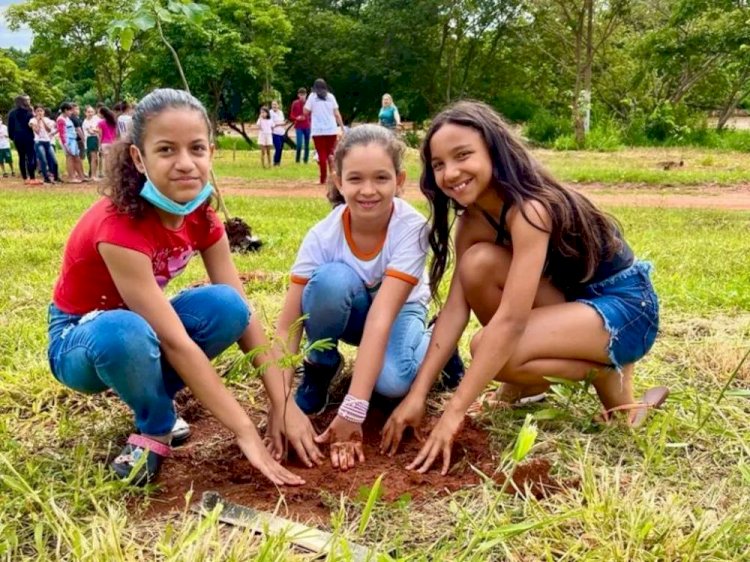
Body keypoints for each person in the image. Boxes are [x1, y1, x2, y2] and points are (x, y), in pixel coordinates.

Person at [47, 88, 319, 486]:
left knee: (227, 306)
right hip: (81, 337)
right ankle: (156, 423)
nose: (185, 164)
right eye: (166, 150)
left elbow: (243, 315)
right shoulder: (118, 227)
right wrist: (245, 431)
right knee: (125, 331)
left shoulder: (202, 217)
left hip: (143, 327)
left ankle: (151, 392)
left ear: (211, 151)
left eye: (196, 149)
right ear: (138, 158)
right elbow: (175, 343)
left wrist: (282, 402)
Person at [380, 101, 667, 473]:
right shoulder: (472, 223)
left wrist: (454, 413)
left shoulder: (530, 209)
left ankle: (605, 374)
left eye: (463, 155)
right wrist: (416, 395)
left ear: (494, 152)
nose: (450, 172)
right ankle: (526, 380)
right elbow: (454, 310)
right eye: (438, 164)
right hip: (573, 303)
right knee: (477, 265)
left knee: (489, 347)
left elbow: (512, 321)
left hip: (626, 309)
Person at [275, 124, 463, 471]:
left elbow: (383, 316)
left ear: (400, 180)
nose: (368, 190)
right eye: (356, 179)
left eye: (380, 178)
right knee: (330, 281)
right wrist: (280, 404)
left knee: (391, 385)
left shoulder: (410, 228)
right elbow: (289, 323)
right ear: (338, 180)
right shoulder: (322, 235)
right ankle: (320, 368)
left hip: (399, 313)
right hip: (356, 315)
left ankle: (439, 343)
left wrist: (353, 409)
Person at [304, 78, 345, 184]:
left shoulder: (312, 97)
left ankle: (323, 179)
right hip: (331, 129)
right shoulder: (330, 97)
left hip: (318, 130)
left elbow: (305, 111)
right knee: (331, 153)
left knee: (321, 154)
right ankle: (334, 177)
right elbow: (336, 113)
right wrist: (342, 127)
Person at [7, 94, 40, 185]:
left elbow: (10, 127)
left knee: (21, 157)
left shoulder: (12, 113)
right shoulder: (29, 112)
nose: (29, 101)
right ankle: (32, 178)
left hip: (17, 137)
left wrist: (12, 137)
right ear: (23, 101)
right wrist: (33, 111)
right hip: (28, 136)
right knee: (30, 156)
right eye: (27, 100)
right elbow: (33, 123)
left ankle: (25, 178)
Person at [29, 105, 61, 184]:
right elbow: (36, 131)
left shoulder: (47, 120)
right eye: (38, 111)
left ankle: (56, 177)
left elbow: (49, 130)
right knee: (43, 160)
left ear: (44, 112)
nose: (40, 112)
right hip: (38, 142)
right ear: (35, 112)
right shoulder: (32, 120)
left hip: (47, 142)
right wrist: (38, 121)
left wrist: (42, 120)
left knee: (54, 161)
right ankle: (46, 178)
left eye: (41, 111)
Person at [56, 102, 87, 183]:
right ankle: (71, 177)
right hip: (67, 141)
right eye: (70, 110)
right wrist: (66, 145)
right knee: (70, 157)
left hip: (73, 140)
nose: (71, 112)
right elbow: (62, 134)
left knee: (77, 157)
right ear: (65, 110)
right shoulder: (61, 119)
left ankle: (81, 176)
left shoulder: (68, 118)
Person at [290, 88, 311, 164]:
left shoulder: (309, 103)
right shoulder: (295, 103)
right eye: (301, 95)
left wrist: (310, 121)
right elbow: (291, 115)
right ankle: (297, 160)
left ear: (306, 95)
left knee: (307, 144)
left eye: (304, 95)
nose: (302, 97)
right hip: (298, 126)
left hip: (307, 126)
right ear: (298, 95)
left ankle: (306, 160)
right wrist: (296, 118)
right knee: (299, 144)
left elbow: (312, 115)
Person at [82, 105, 101, 179]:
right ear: (85, 113)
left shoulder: (96, 119)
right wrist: (98, 130)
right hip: (91, 139)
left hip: (96, 138)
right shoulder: (86, 122)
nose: (90, 113)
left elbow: (96, 130)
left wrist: (96, 130)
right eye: (88, 112)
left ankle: (94, 174)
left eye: (92, 112)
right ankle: (93, 175)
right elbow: (92, 132)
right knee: (93, 158)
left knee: (95, 158)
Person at [97, 106, 117, 175]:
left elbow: (100, 135)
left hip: (105, 143)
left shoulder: (101, 123)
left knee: (106, 159)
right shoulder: (113, 121)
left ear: (102, 114)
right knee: (112, 159)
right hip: (113, 142)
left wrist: (99, 144)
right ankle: (112, 173)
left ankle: (106, 173)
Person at [269, 100, 285, 166]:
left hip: (282, 132)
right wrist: (279, 124)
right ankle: (275, 161)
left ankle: (278, 162)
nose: (274, 106)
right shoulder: (270, 113)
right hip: (275, 133)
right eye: (273, 104)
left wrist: (278, 123)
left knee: (281, 148)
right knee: (277, 147)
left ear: (278, 105)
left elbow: (283, 122)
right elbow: (271, 124)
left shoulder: (281, 112)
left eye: (275, 104)